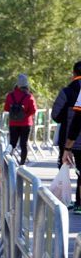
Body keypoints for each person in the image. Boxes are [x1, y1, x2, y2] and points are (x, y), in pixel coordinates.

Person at [51, 62, 81, 211]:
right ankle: (79, 203)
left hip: (69, 137)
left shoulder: (67, 91)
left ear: (74, 73)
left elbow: (56, 115)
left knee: (64, 166)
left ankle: (63, 199)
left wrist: (67, 146)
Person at [3, 73, 37, 165]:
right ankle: (22, 163)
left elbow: (6, 108)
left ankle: (9, 162)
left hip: (13, 123)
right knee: (23, 144)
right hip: (26, 123)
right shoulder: (29, 96)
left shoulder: (10, 95)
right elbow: (33, 110)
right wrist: (25, 115)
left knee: (12, 144)